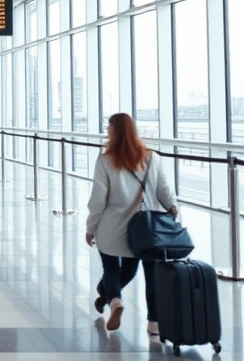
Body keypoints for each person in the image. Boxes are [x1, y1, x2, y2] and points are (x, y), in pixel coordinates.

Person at [86, 112, 179, 335]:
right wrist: (172, 207)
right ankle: (154, 323)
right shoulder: (152, 157)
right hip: (147, 229)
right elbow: (163, 188)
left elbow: (99, 198)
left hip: (112, 227)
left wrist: (90, 227)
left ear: (114, 131)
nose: (107, 130)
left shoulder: (105, 160)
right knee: (149, 274)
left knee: (111, 267)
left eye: (109, 127)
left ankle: (114, 300)